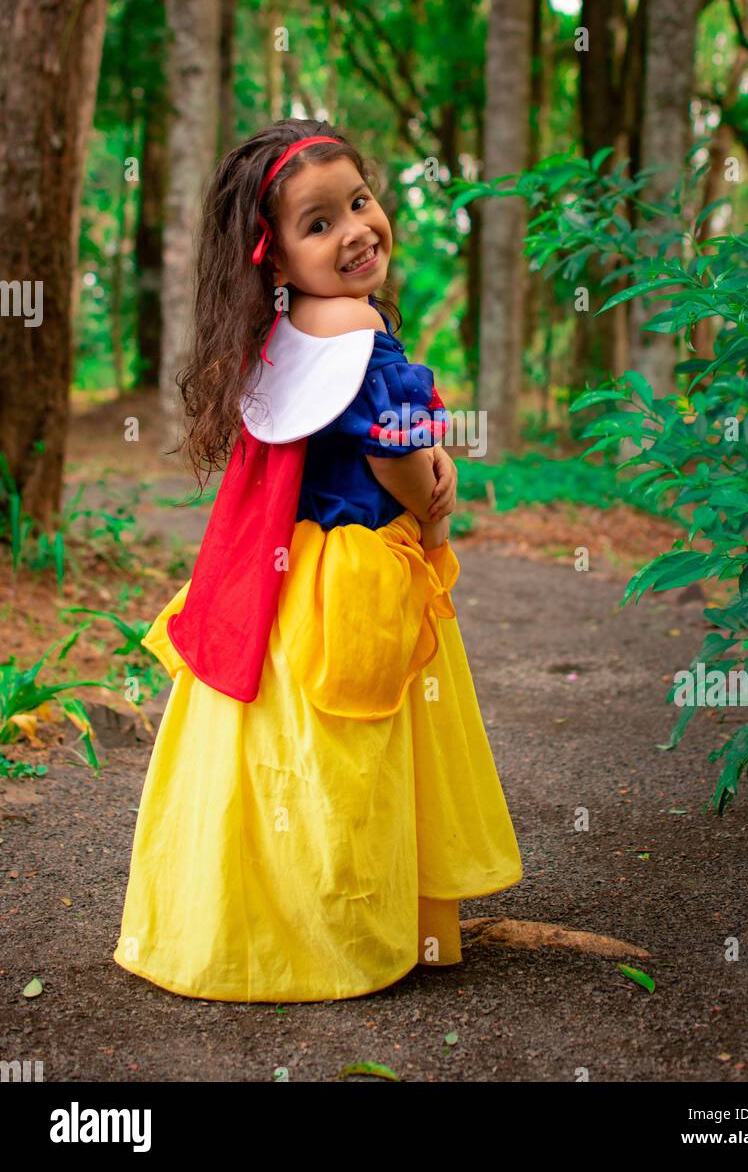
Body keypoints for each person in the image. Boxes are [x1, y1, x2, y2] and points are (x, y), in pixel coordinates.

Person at [113, 119, 523, 1002]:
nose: (355, 230)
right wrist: (435, 496)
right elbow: (392, 456)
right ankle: (352, 926)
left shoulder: (288, 329)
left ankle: (257, 919)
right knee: (355, 752)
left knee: (279, 756)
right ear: (275, 258)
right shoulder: (360, 332)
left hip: (282, 577)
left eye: (360, 202)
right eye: (319, 223)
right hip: (353, 582)